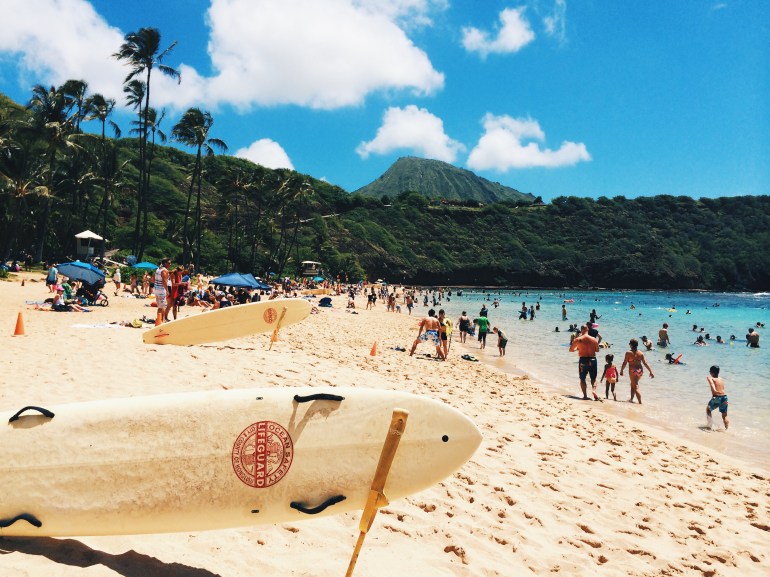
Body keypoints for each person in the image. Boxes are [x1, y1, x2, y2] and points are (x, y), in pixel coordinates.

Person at [569, 324, 600, 400]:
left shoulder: (578, 339)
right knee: (594, 378)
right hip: (593, 360)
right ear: (588, 330)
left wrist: (578, 349)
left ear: (581, 330)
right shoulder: (594, 339)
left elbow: (571, 350)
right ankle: (594, 390)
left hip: (583, 360)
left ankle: (585, 396)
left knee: (582, 379)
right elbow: (597, 350)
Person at [620, 338, 654, 404]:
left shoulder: (628, 353)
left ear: (631, 345)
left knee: (635, 386)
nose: (629, 345)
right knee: (633, 384)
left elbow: (624, 363)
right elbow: (645, 363)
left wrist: (621, 370)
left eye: (629, 343)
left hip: (632, 370)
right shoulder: (641, 353)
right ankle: (631, 399)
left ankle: (640, 403)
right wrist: (651, 371)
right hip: (640, 371)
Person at [706, 365, 728, 430]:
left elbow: (712, 384)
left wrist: (715, 390)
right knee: (724, 415)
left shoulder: (710, 378)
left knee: (708, 410)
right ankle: (727, 429)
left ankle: (709, 426)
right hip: (724, 397)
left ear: (712, 372)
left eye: (710, 371)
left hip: (716, 397)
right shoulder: (721, 379)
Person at [154, 258, 171, 325]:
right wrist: (167, 290)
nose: (170, 264)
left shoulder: (158, 269)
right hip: (161, 290)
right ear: (165, 263)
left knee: (160, 306)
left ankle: (159, 320)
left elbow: (154, 279)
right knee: (163, 306)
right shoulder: (164, 271)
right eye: (169, 263)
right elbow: (164, 281)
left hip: (156, 289)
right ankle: (162, 320)